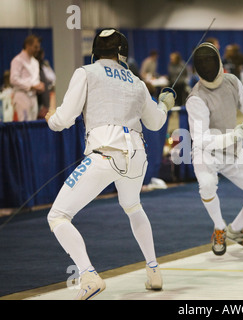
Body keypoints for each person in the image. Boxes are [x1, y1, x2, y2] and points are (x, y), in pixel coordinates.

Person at [45, 29, 175, 300]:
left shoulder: (86, 72)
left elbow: (65, 118)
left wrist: (51, 118)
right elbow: (155, 123)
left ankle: (88, 275)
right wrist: (164, 104)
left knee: (57, 216)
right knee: (132, 205)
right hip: (138, 157)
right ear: (122, 53)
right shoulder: (137, 81)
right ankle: (153, 271)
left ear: (95, 51)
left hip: (105, 154)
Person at [185, 42, 243, 256]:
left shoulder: (232, 81)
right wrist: (233, 135)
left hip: (232, 152)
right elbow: (201, 139)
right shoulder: (195, 98)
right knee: (207, 184)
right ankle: (219, 228)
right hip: (206, 153)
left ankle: (235, 230)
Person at [9, 34, 45, 121]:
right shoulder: (17, 60)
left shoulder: (35, 62)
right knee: (24, 124)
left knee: (33, 124)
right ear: (27, 46)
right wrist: (31, 86)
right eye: (35, 47)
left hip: (33, 97)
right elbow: (13, 79)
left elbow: (35, 79)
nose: (38, 49)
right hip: (22, 95)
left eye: (38, 47)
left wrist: (39, 85)